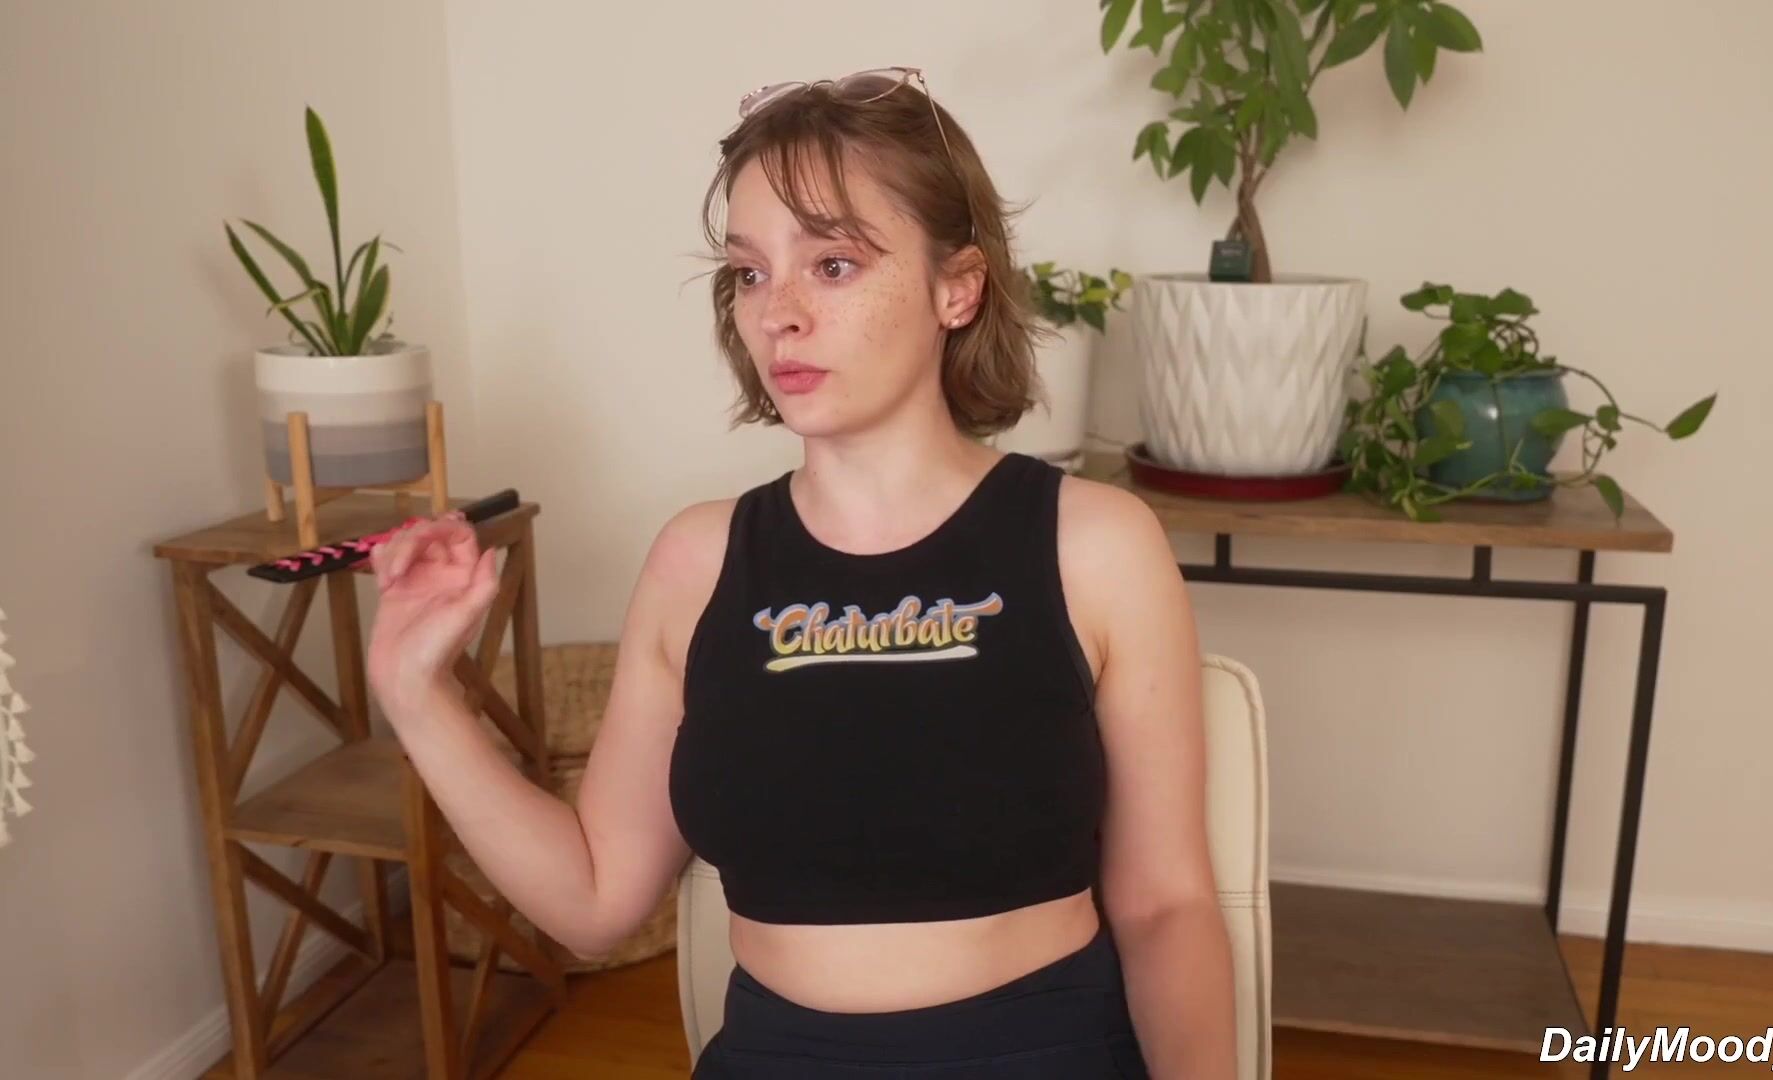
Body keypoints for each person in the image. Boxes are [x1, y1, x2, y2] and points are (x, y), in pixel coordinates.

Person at [365, 66, 1236, 1079]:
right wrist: (415, 690)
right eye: (749, 272)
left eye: (832, 264)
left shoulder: (1094, 544)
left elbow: (1166, 906)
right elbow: (595, 901)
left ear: (956, 287)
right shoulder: (697, 561)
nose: (777, 311)